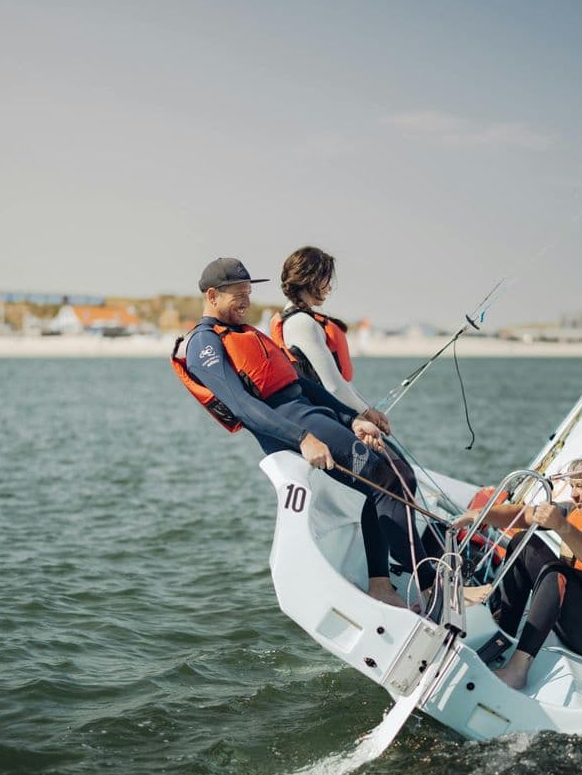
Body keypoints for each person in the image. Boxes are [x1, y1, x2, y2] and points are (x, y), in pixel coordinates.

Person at [171, 257, 436, 605]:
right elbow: (242, 406)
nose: (247, 303)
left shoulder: (247, 333)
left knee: (396, 473)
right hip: (295, 426)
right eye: (239, 295)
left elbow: (303, 384)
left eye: (249, 294)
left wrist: (352, 417)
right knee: (384, 479)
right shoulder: (204, 344)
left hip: (317, 414)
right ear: (212, 295)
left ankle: (381, 585)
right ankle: (431, 585)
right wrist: (303, 439)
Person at [453, 454, 582, 689]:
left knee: (556, 572)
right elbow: (523, 515)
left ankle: (518, 670)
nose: (573, 494)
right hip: (577, 615)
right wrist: (477, 515)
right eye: (572, 486)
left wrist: (561, 526)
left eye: (581, 486)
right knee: (524, 542)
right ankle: (503, 634)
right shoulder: (574, 510)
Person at [269, 245, 390, 432]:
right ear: (311, 279)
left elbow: (340, 383)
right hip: (323, 418)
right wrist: (365, 413)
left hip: (328, 413)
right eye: (326, 278)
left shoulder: (297, 319)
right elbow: (333, 386)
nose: (329, 286)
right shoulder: (302, 323)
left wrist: (368, 410)